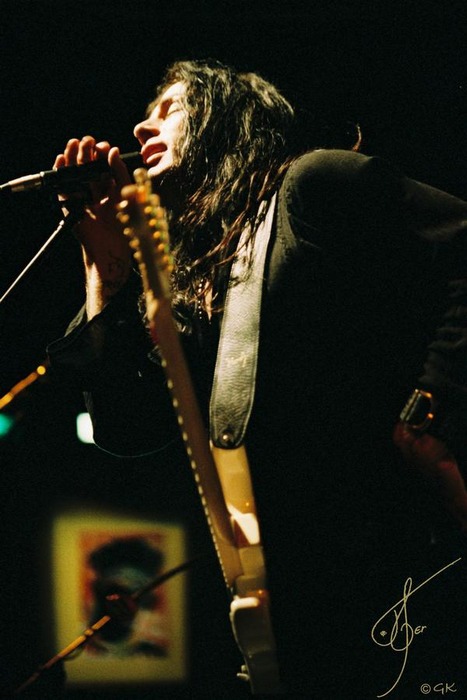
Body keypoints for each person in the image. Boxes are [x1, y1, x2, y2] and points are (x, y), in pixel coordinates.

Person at [47, 59, 467, 699]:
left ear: (228, 121)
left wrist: (428, 415)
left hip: (410, 564)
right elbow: (126, 429)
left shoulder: (316, 184)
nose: (140, 126)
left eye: (170, 108)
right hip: (302, 611)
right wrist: (104, 265)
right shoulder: (199, 288)